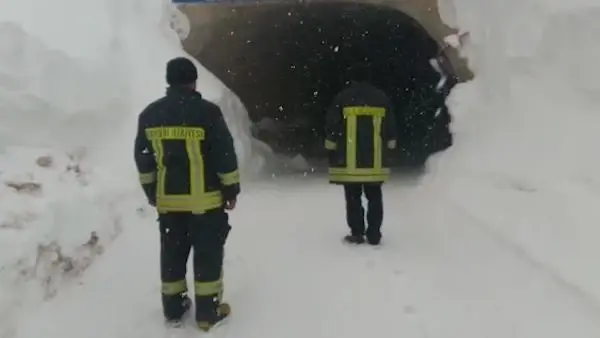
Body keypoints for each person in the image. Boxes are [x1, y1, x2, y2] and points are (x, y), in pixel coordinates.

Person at [133, 57, 240, 331]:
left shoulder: (150, 115)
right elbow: (223, 155)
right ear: (194, 81)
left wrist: (151, 191)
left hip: (169, 202)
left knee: (172, 254)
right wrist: (230, 189)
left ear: (169, 81)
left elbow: (144, 160)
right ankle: (208, 313)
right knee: (207, 255)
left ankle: (174, 308)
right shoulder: (207, 113)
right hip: (205, 202)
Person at [324, 64, 398, 245]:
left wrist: (331, 151)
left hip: (349, 161)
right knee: (374, 196)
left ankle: (357, 232)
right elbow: (390, 129)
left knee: (353, 196)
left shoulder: (342, 98)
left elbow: (332, 127)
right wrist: (389, 151)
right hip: (375, 160)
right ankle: (374, 234)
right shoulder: (381, 98)